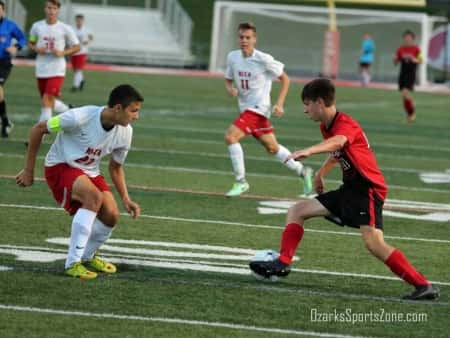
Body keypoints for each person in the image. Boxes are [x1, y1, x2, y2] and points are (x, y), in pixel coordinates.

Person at [250, 78, 440, 301]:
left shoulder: (344, 124)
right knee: (297, 210)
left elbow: (339, 142)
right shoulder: (326, 125)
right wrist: (321, 173)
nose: (305, 110)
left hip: (367, 189)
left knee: (374, 243)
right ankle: (283, 262)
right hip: (350, 189)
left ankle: (423, 285)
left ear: (320, 102)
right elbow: (338, 151)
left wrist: (309, 151)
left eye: (307, 104)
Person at [16, 84, 143, 279]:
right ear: (118, 108)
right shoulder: (79, 117)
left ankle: (87, 256)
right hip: (60, 165)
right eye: (133, 111)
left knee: (111, 215)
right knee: (93, 197)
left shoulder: (126, 133)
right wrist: (28, 170)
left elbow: (115, 167)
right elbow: (38, 129)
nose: (136, 116)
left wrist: (126, 198)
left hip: (90, 172)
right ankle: (72, 263)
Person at [224, 22, 312, 197]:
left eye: (248, 37)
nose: (244, 40)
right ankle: (303, 171)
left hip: (259, 108)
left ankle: (241, 181)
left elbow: (285, 79)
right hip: (246, 109)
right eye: (241, 37)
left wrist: (279, 104)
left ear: (254, 39)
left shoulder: (263, 59)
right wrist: (230, 88)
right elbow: (228, 78)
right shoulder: (233, 57)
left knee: (231, 136)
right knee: (272, 148)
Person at [28, 0, 80, 123]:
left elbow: (77, 46)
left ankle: (41, 133)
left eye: (54, 8)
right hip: (41, 68)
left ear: (58, 10)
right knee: (47, 100)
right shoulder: (37, 26)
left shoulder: (65, 28)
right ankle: (68, 109)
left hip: (57, 69)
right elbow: (31, 43)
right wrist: (36, 49)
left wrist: (63, 52)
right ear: (45, 9)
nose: (51, 11)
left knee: (47, 99)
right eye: (49, 8)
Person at [0, 0, 26, 137]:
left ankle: (5, 121)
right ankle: (5, 121)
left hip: (3, 62)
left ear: (3, 11)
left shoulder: (10, 26)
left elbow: (22, 39)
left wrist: (15, 47)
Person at [394, 30, 421, 123]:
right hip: (402, 74)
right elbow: (396, 62)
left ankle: (412, 112)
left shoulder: (416, 49)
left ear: (413, 39)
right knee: (404, 95)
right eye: (406, 38)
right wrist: (395, 59)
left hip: (411, 74)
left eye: (409, 38)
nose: (407, 39)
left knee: (405, 93)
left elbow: (420, 60)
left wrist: (414, 59)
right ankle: (410, 114)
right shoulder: (400, 49)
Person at [71, 14, 93, 92]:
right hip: (74, 51)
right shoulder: (72, 29)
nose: (79, 22)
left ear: (83, 21)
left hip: (82, 51)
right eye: (77, 20)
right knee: (75, 69)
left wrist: (88, 42)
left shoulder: (86, 30)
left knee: (78, 69)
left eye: (80, 20)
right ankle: (81, 80)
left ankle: (75, 86)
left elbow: (91, 38)